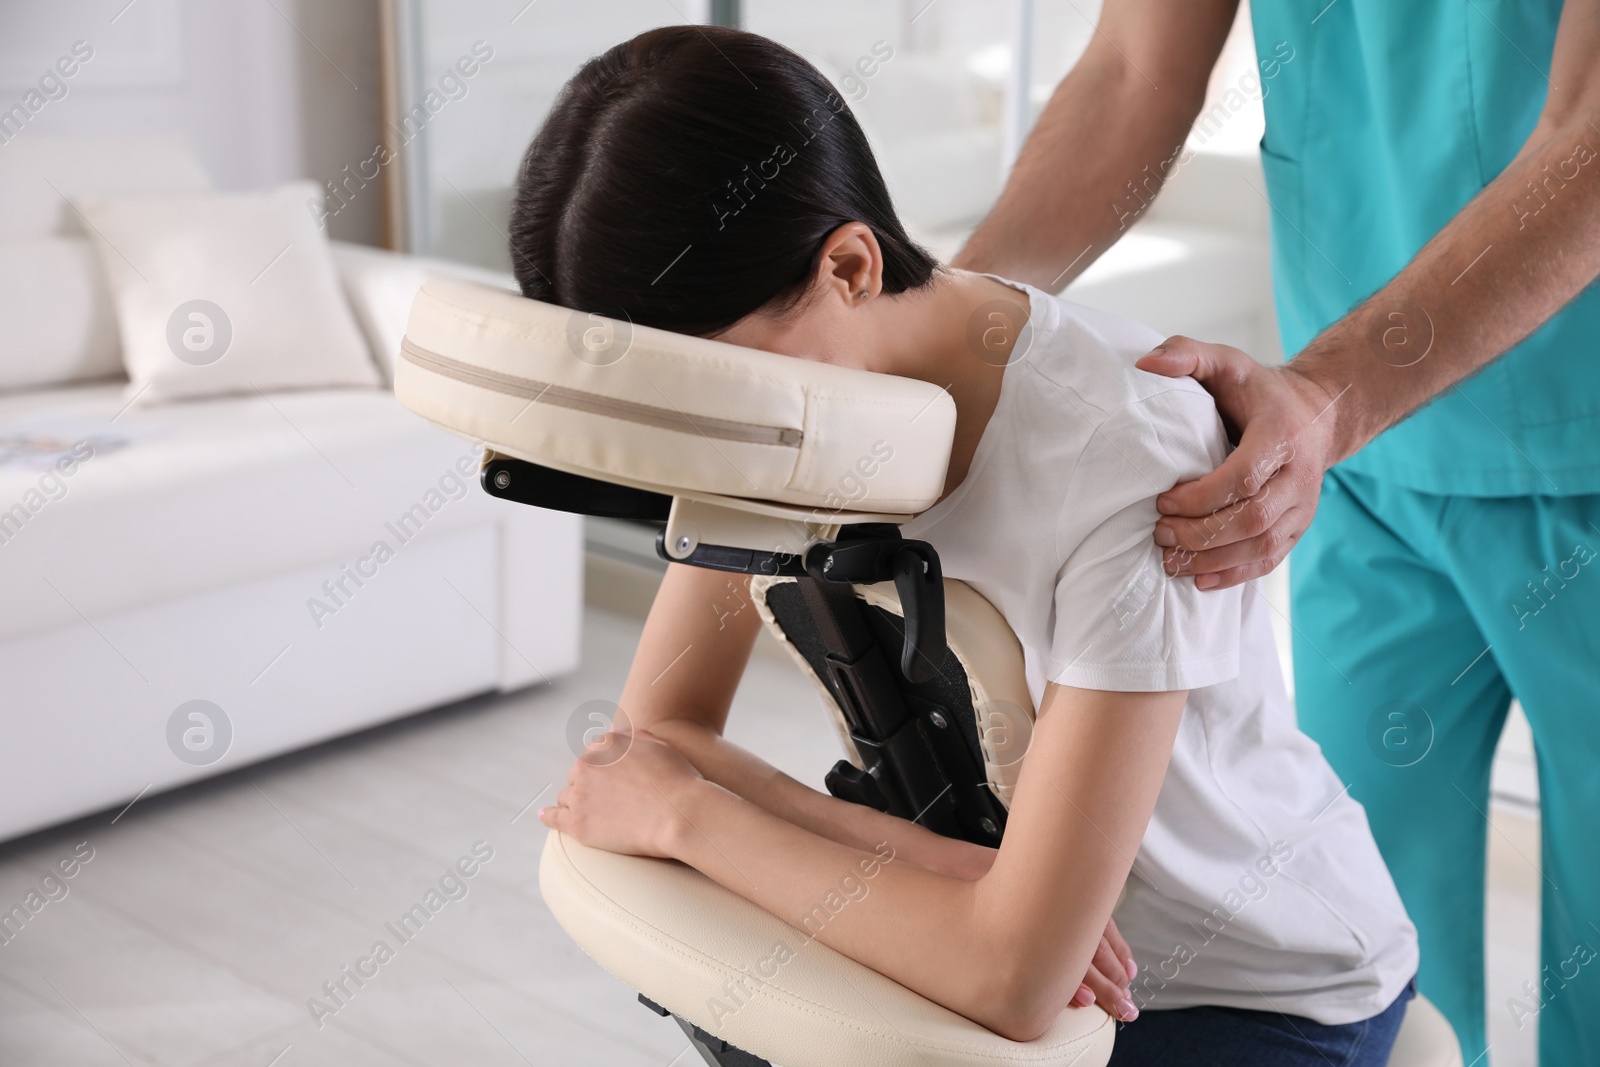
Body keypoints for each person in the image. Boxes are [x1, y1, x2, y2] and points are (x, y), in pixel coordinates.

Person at [524, 26, 1420, 1065]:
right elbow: (656, 738)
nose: (702, 446)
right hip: (997, 930)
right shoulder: (762, 410)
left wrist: (694, 817)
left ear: (848, 266)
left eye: (714, 385)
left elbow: (1013, 980)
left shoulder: (1124, 455)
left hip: (1250, 988)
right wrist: (945, 874)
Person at [954, 2, 1600, 1062]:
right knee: (1359, 947)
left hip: (1549, 429)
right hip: (1359, 466)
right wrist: (954, 324)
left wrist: (1328, 397)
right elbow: (1130, 72)